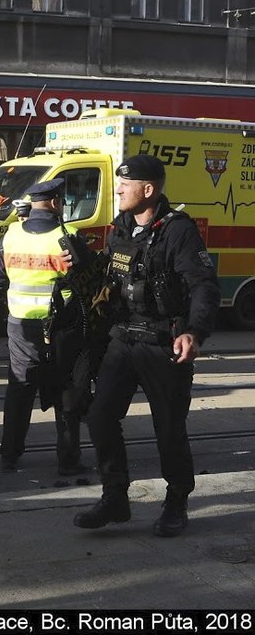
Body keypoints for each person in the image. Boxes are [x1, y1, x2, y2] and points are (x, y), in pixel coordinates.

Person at [73, 154, 220, 538]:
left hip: (162, 343)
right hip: (122, 338)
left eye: (125, 184)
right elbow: (110, 273)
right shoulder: (121, 227)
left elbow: (204, 285)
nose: (117, 189)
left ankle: (176, 501)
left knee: (169, 428)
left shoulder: (178, 231)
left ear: (148, 189)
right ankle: (115, 497)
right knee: (100, 415)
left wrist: (194, 332)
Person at [0, 177, 85, 476]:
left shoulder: (12, 234)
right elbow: (88, 279)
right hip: (62, 325)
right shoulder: (69, 235)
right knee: (66, 389)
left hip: (20, 324)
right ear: (56, 203)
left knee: (20, 389)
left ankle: (9, 456)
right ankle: (68, 462)